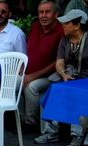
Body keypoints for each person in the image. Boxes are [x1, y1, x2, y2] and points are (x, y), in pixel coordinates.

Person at [33, 9, 88, 146]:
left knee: (78, 94)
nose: (63, 26)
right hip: (72, 77)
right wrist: (63, 74)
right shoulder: (65, 40)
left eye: (66, 23)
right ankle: (51, 131)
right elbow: (59, 62)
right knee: (55, 89)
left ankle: (78, 135)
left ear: (77, 25)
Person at [20, 0, 63, 130]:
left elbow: (58, 61)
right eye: (41, 12)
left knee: (31, 87)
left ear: (56, 14)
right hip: (29, 72)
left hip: (51, 76)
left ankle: (30, 122)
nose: (43, 15)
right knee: (10, 83)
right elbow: (29, 51)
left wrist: (33, 76)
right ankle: (18, 119)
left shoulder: (61, 31)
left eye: (47, 12)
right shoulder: (35, 27)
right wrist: (22, 69)